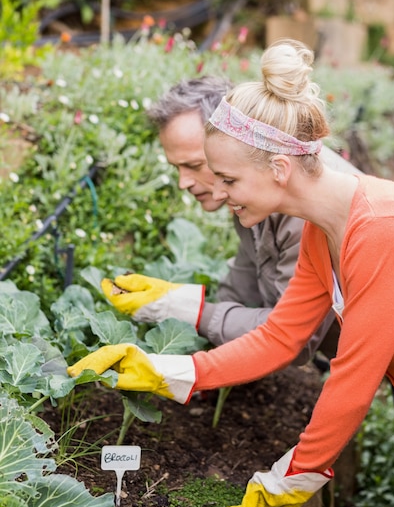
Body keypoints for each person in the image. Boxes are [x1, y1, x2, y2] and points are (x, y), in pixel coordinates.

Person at [68, 38, 394, 507]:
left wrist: (298, 473)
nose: (220, 192)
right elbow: (280, 337)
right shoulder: (324, 230)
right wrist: (170, 370)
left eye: (228, 180)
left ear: (278, 168)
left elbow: (352, 378)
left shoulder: (382, 227)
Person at [101, 75, 357, 364]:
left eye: (194, 165)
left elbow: (295, 339)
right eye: (177, 168)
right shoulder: (251, 192)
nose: (183, 182)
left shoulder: (304, 209)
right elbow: (246, 279)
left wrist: (190, 311)